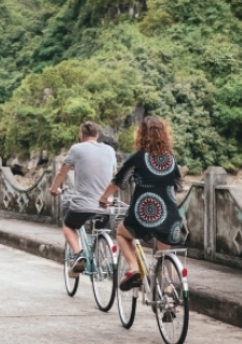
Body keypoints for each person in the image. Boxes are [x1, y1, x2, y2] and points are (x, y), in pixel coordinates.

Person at [99, 116, 184, 291]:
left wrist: (103, 198)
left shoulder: (137, 157)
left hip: (144, 213)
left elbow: (118, 181)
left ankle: (134, 267)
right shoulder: (170, 158)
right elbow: (176, 186)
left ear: (141, 134)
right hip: (170, 215)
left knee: (122, 233)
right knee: (163, 254)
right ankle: (168, 296)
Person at [49, 121, 117, 277]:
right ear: (97, 135)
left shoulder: (76, 149)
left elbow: (62, 172)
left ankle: (78, 254)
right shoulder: (110, 150)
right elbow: (115, 176)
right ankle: (102, 263)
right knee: (100, 229)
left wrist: (54, 189)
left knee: (68, 224)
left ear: (81, 135)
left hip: (82, 205)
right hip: (105, 205)